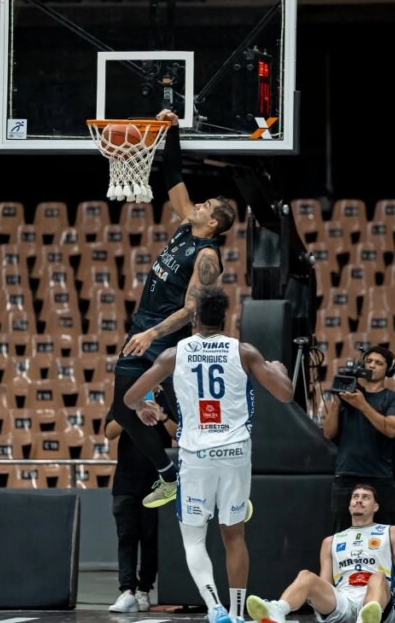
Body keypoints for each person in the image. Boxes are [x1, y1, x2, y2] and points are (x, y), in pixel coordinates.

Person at [124, 287, 294, 623]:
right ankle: (236, 611)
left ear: (195, 319)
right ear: (226, 319)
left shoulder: (174, 354)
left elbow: (129, 396)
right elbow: (286, 395)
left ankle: (215, 607)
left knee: (193, 538)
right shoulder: (243, 351)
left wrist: (145, 405)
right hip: (235, 453)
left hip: (196, 455)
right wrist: (280, 368)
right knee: (234, 536)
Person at [113, 108, 237, 509]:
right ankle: (170, 476)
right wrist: (172, 131)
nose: (199, 204)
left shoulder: (207, 256)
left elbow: (191, 310)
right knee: (124, 407)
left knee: (191, 417)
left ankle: (225, 482)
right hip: (143, 326)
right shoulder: (187, 224)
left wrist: (152, 334)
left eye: (208, 205)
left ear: (215, 224)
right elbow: (174, 178)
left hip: (166, 336)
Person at [246, 484, 395, 623]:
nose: (359, 501)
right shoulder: (331, 541)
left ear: (375, 506)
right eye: (355, 497)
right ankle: (276, 611)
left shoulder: (391, 532)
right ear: (350, 505)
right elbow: (325, 584)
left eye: (365, 497)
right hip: (343, 600)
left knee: (379, 576)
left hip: (375, 598)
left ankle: (367, 618)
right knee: (306, 576)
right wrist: (311, 593)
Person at [105, 387, 177, 613]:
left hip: (157, 482)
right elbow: (109, 431)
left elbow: (178, 433)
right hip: (126, 481)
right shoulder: (127, 397)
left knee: (150, 538)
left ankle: (144, 590)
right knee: (126, 537)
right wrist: (131, 414)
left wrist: (162, 415)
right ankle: (126, 591)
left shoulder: (169, 397)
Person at [322, 346, 395, 531]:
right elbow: (328, 433)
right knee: (341, 533)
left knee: (384, 535)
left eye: (379, 363)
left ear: (388, 370)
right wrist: (336, 401)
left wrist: (363, 405)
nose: (372, 365)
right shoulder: (349, 395)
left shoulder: (392, 398)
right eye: (369, 362)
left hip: (379, 476)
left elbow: (392, 429)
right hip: (346, 475)